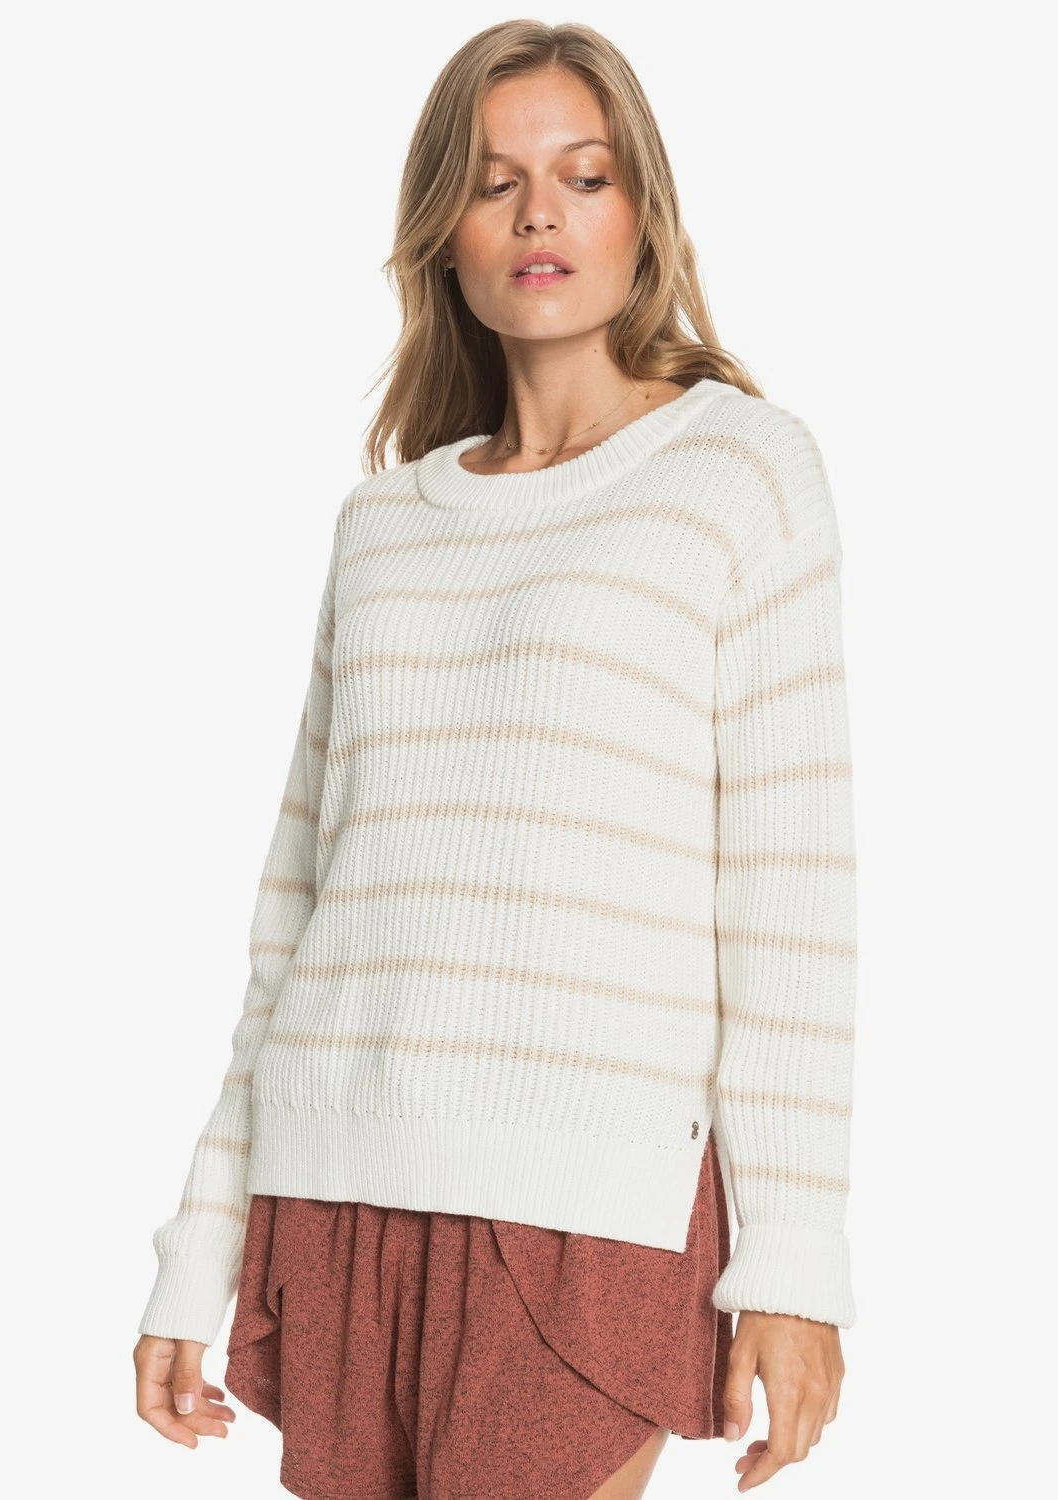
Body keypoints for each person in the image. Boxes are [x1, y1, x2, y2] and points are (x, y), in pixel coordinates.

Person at [134, 20, 856, 1500]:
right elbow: (296, 917)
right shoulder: (383, 527)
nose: (540, 216)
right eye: (494, 182)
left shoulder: (740, 473)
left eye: (583, 177)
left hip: (592, 1210)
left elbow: (791, 900)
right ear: (441, 232)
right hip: (338, 1185)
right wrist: (196, 1249)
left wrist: (793, 1264)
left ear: (641, 213)